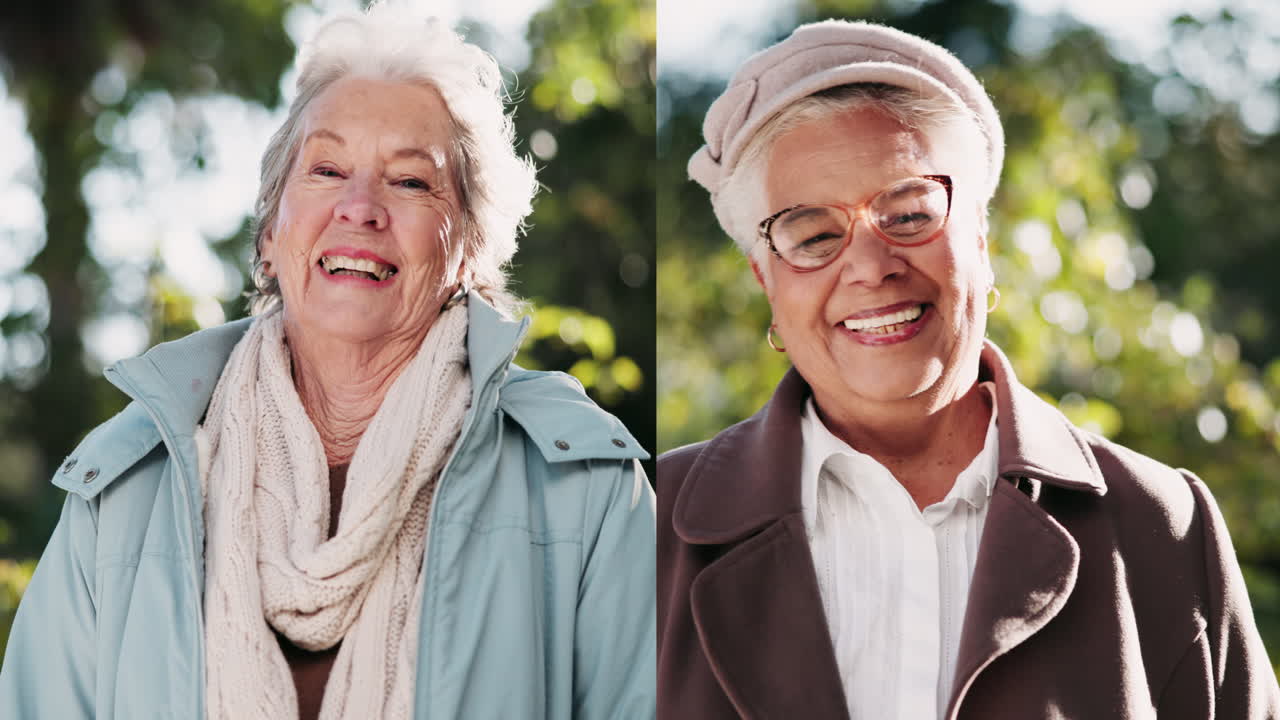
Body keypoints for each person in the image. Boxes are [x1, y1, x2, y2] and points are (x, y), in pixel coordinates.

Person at [0, 4, 654, 719]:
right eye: (328, 168)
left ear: (468, 247)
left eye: (410, 181)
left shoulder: (584, 488)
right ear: (271, 232)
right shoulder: (123, 487)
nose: (360, 206)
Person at [657, 19, 1279, 719]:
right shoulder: (640, 524)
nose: (870, 267)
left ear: (981, 243)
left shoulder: (1164, 525)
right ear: (767, 281)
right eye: (815, 235)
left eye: (909, 213)